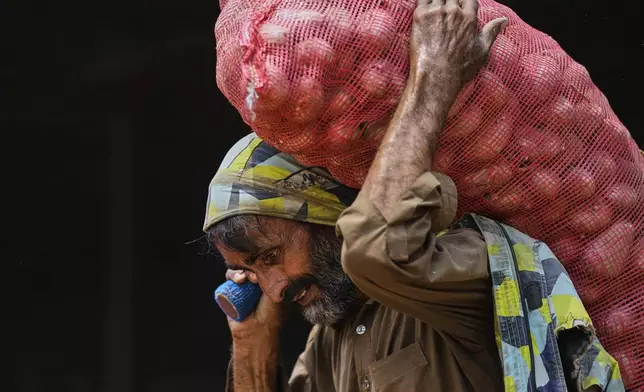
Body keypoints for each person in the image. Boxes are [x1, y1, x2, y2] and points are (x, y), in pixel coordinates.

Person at [204, 0, 624, 390]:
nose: (274, 291)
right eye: (249, 272)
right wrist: (252, 342)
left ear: (325, 213)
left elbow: (375, 250)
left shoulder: (455, 268)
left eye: (271, 257)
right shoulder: (330, 342)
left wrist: (435, 77)